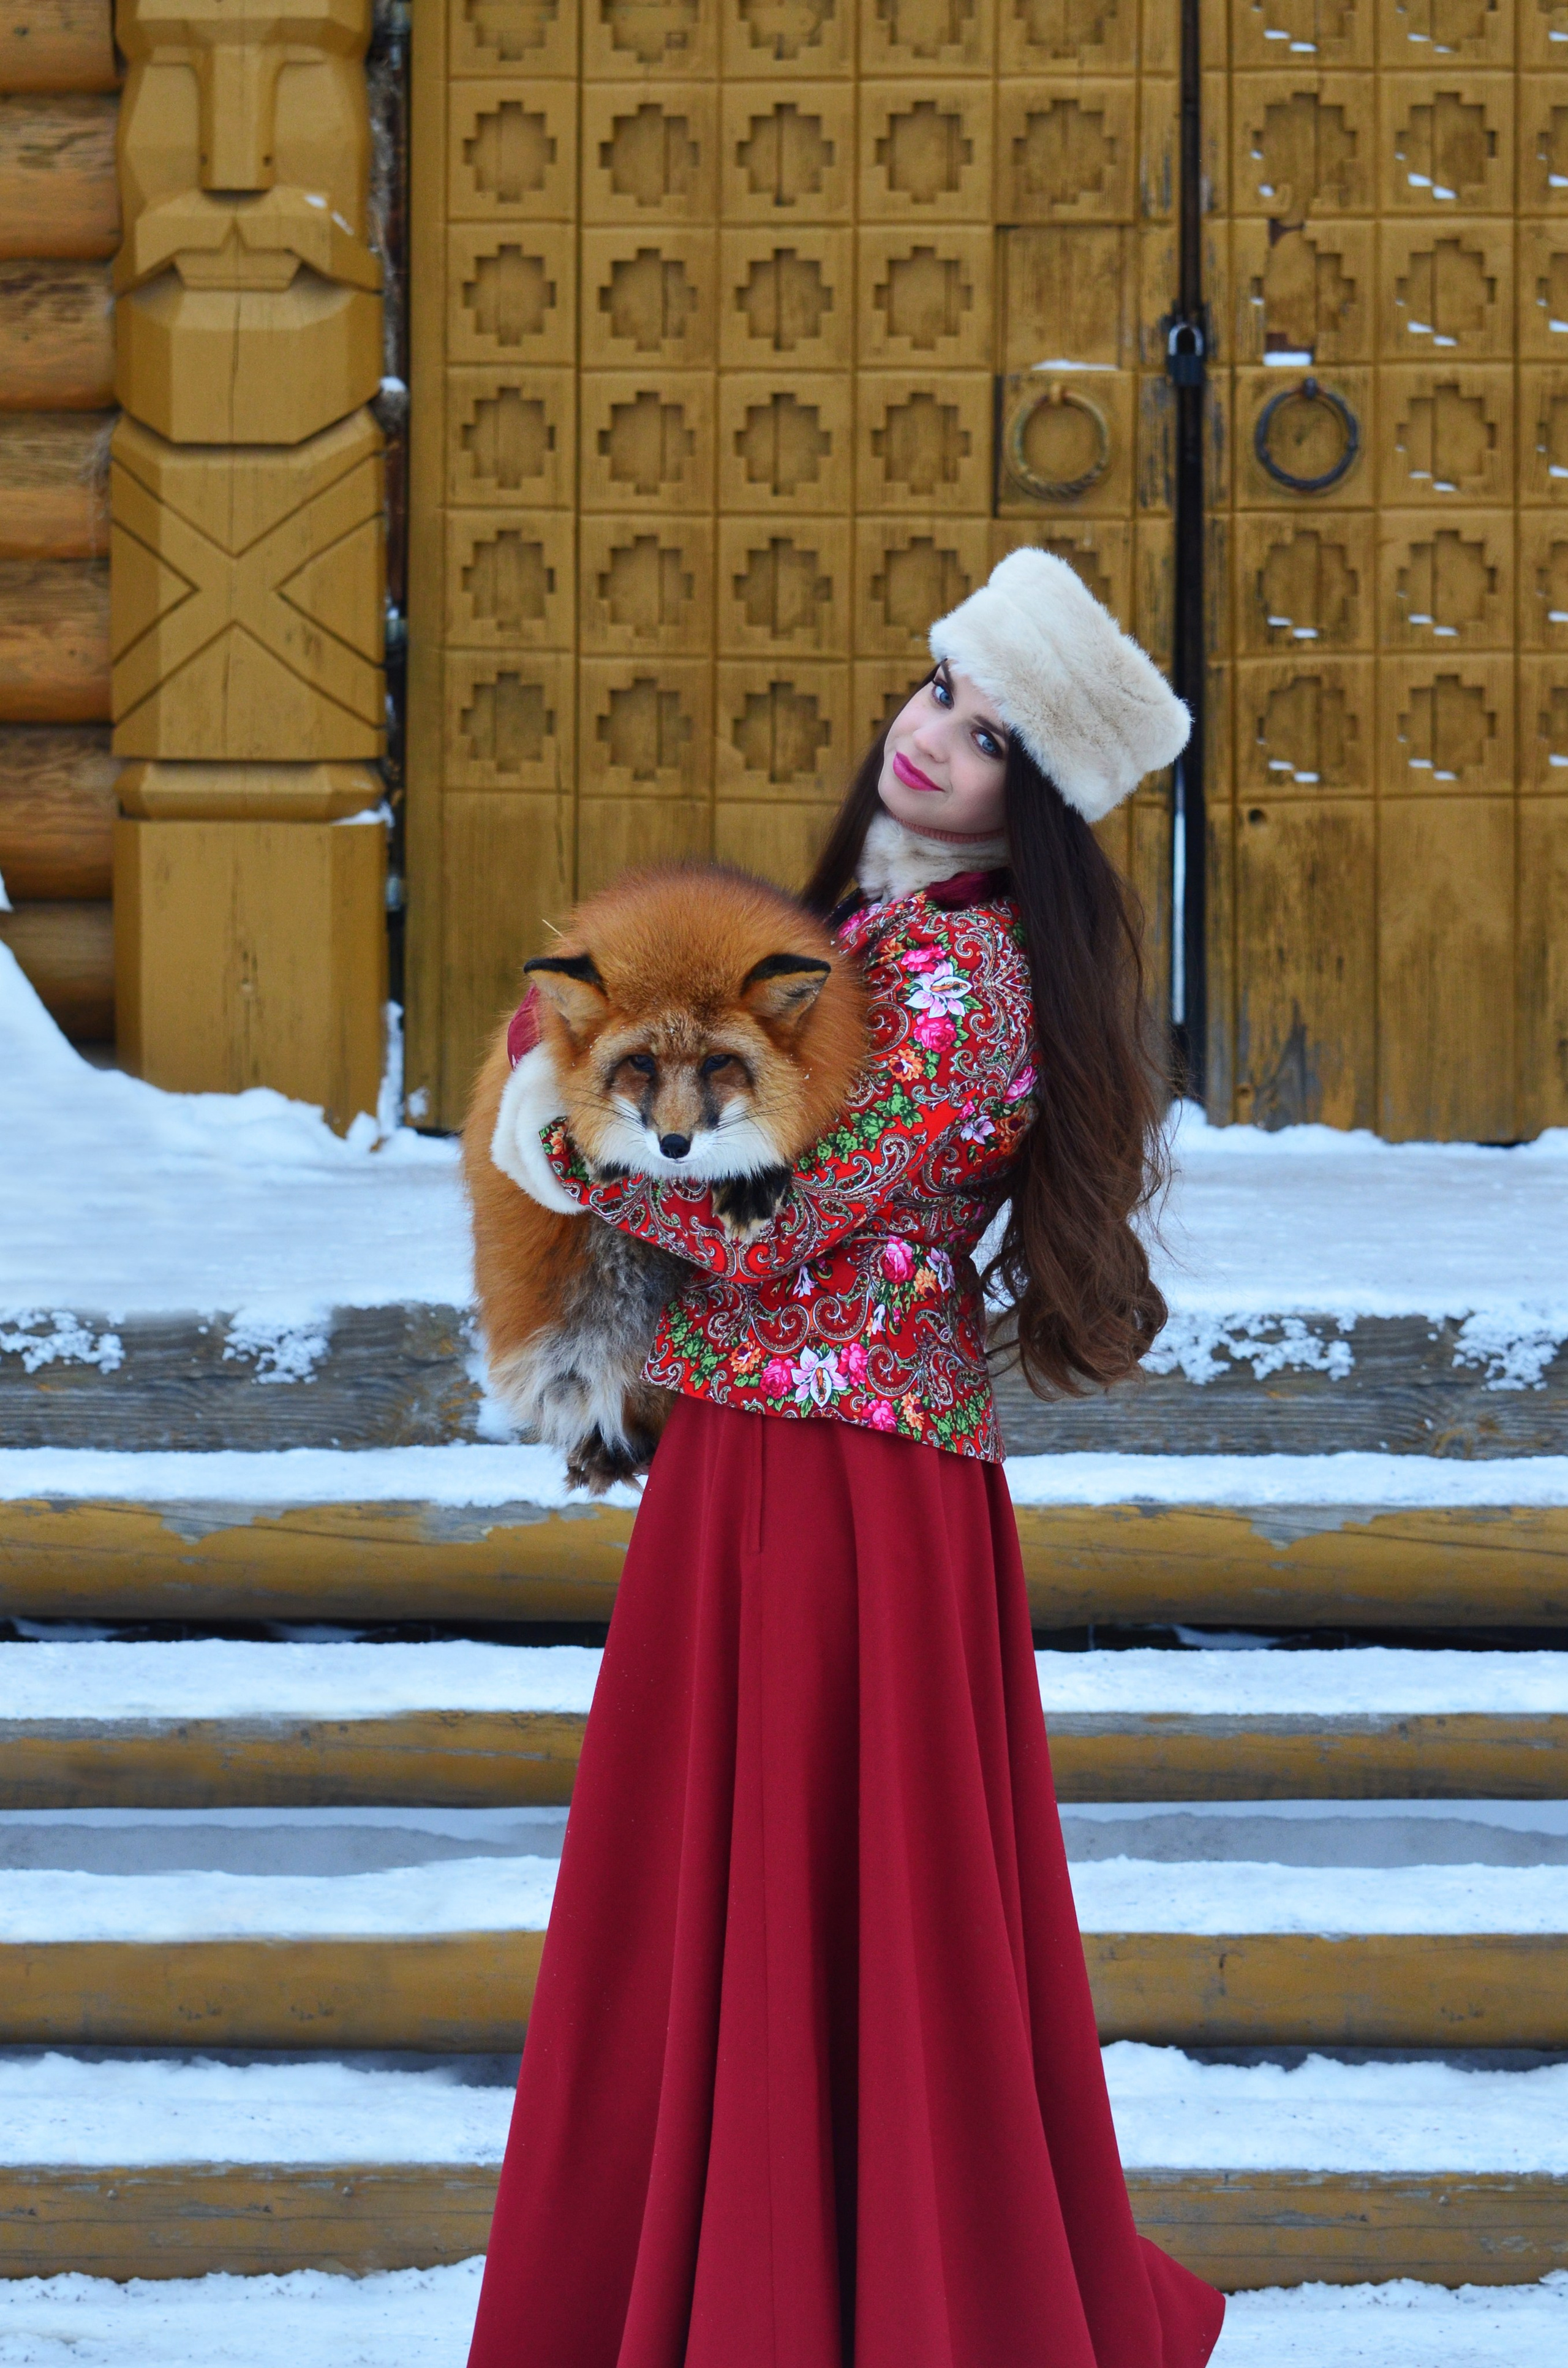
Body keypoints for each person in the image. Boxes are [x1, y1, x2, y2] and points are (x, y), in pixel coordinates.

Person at [467, 550, 1226, 2368]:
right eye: (937, 689)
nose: (932, 736)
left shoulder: (969, 985)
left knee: (846, 1918)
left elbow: (773, 1215)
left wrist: (559, 1138)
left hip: (856, 1497)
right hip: (756, 1465)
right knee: (705, 1915)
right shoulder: (851, 942)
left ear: (1031, 803)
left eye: (987, 732)